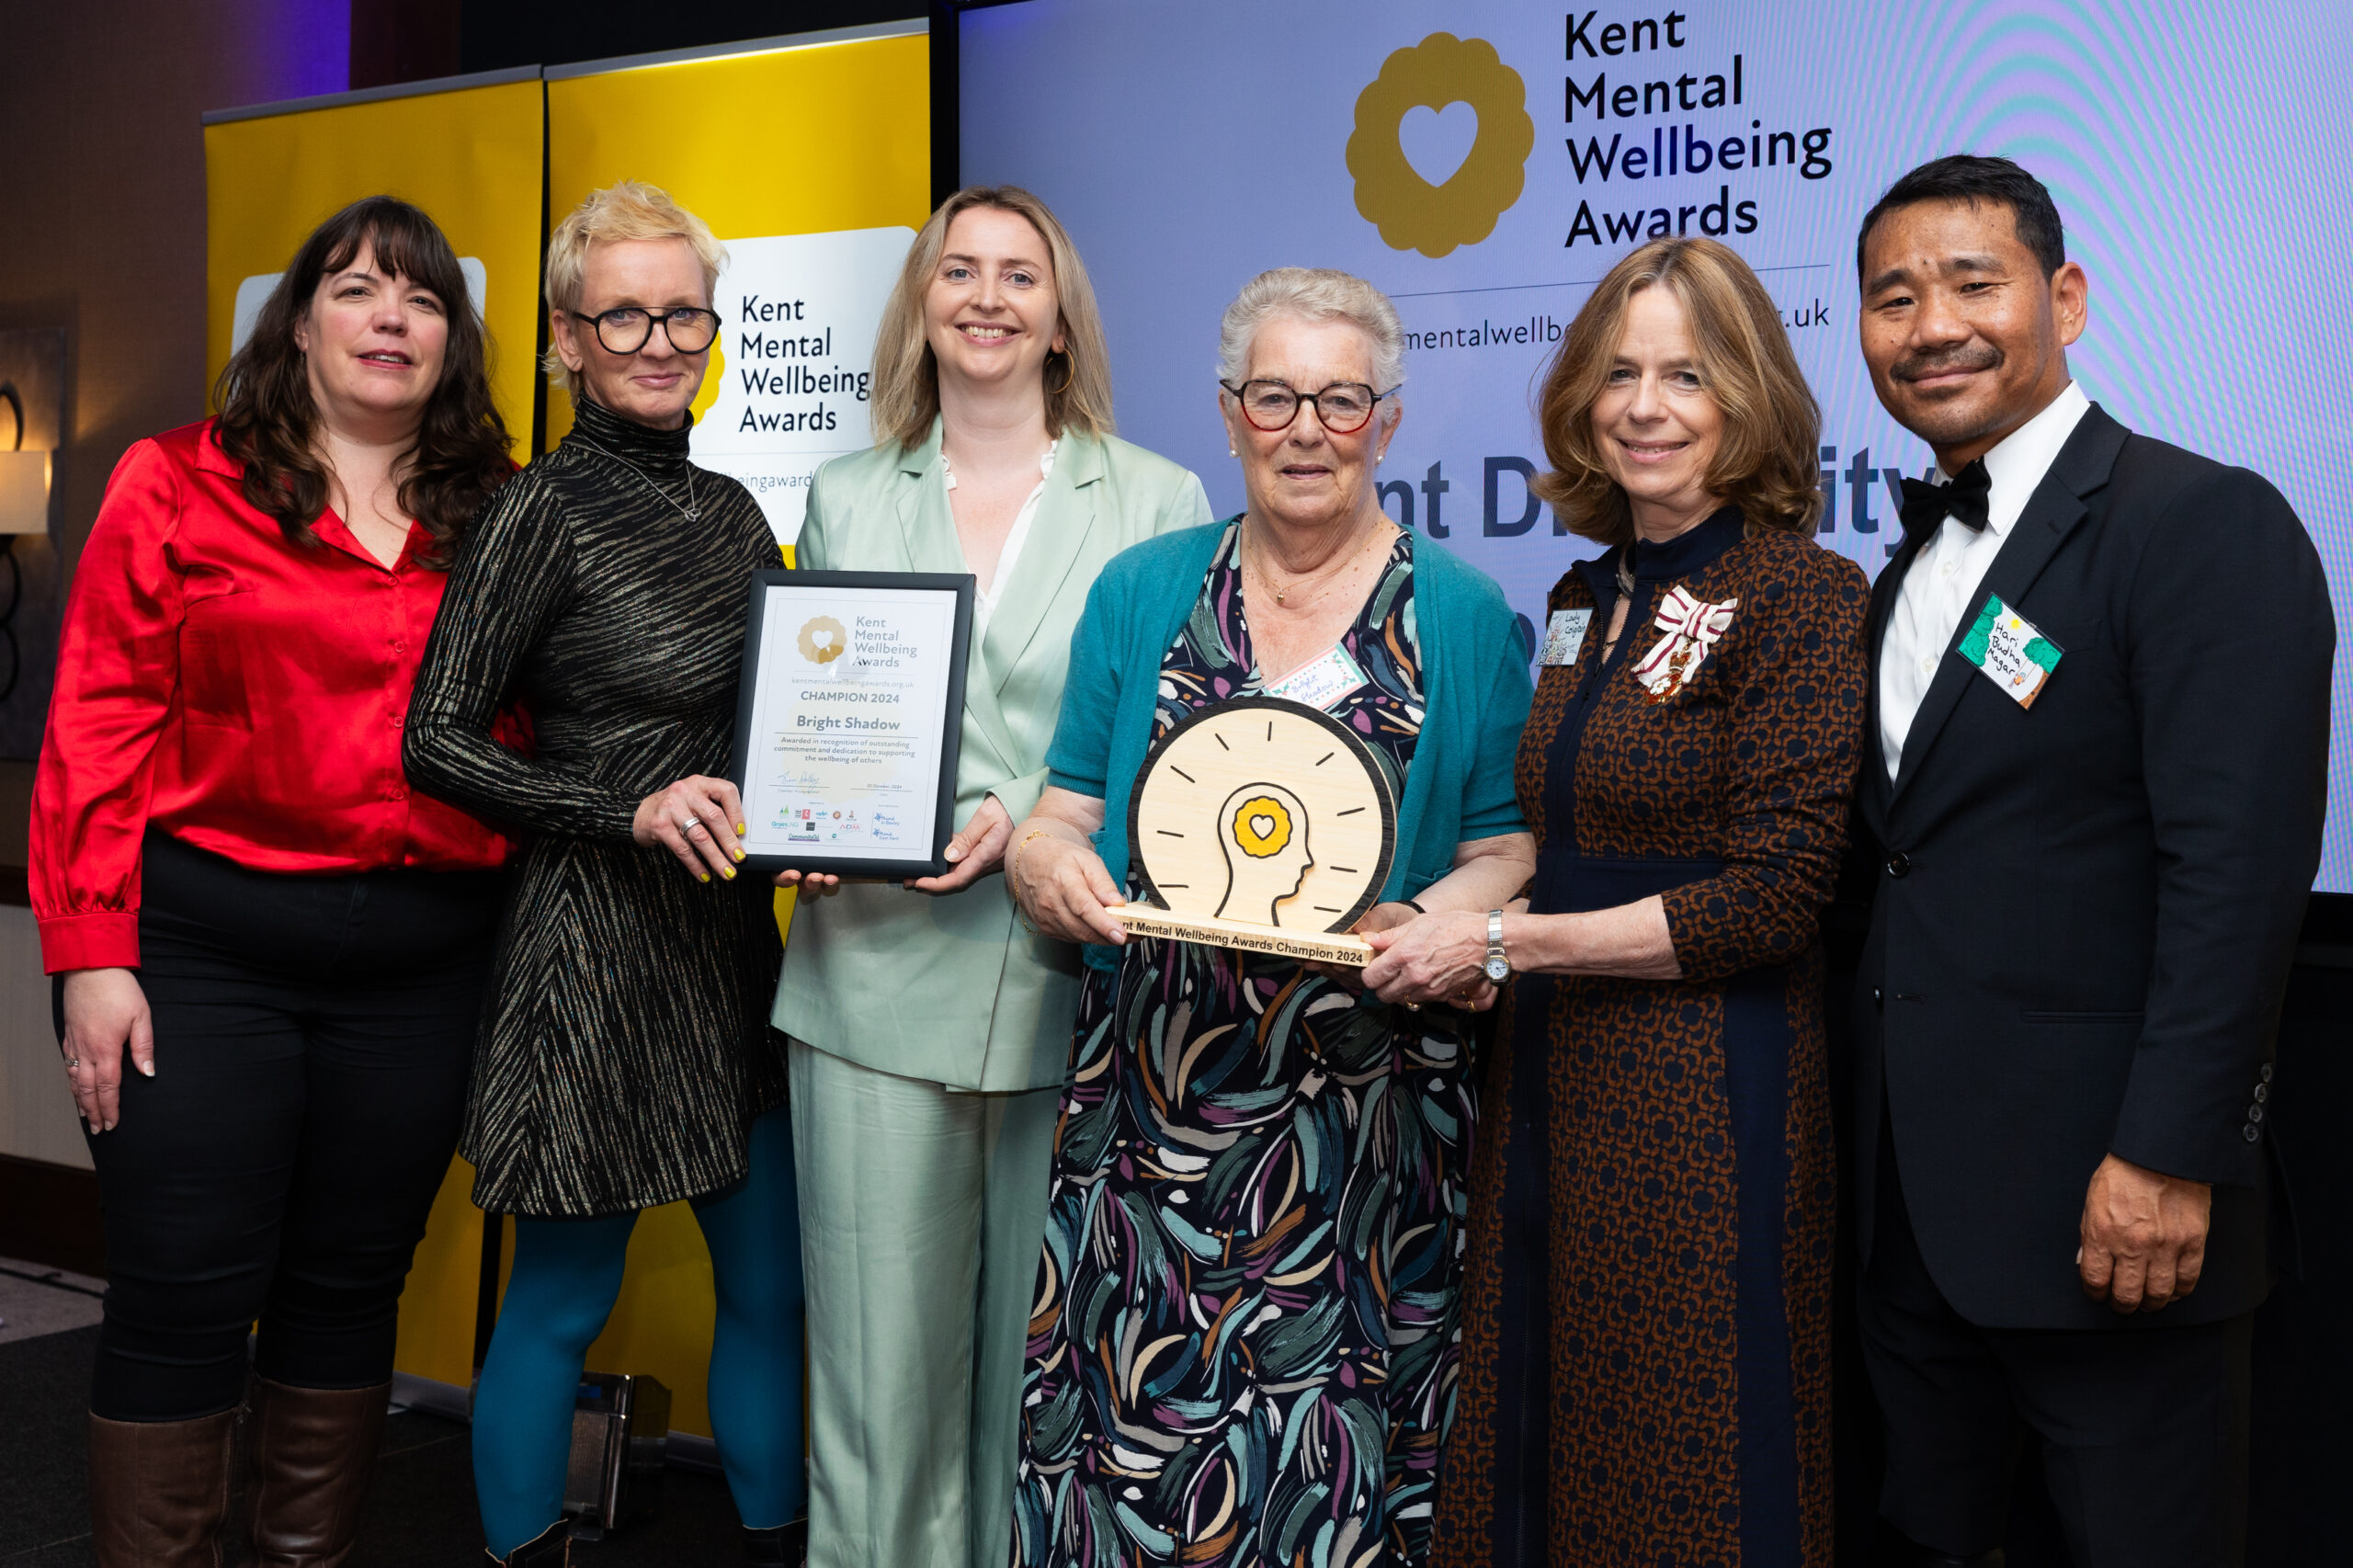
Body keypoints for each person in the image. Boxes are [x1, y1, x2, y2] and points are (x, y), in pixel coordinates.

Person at [1004, 267, 1536, 1568]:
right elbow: (1063, 805)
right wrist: (1043, 864)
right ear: (1231, 410)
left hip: (1366, 1129)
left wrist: (1439, 913)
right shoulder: (1142, 588)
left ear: (1388, 422)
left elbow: (1506, 843)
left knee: (1337, 1481)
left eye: (1340, 399)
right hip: (1152, 1126)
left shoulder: (1460, 608)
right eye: (1277, 396)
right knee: (1131, 1465)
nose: (1307, 427)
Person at [1845, 155, 2331, 1568]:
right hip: (1914, 1222)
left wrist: (2170, 1154)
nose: (1931, 322)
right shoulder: (1906, 571)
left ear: (2063, 297)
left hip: (2114, 1218)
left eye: (1972, 282)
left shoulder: (2199, 524)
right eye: (1892, 296)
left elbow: (2238, 875)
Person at [31, 196, 517, 1565]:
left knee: (351, 1289)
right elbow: (98, 721)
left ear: (449, 341)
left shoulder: (498, 513)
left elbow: (545, 730)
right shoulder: (177, 480)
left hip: (424, 965)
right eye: (359, 290)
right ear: (298, 323)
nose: (390, 319)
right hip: (202, 957)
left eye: (421, 300)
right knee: (183, 1296)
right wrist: (90, 954)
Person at [1411, 235, 1870, 1568]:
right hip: (1553, 1069)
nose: (1646, 406)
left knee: (1694, 1442)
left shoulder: (1799, 592)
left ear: (1747, 397)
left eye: (1687, 373)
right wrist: (1437, 916)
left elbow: (1774, 896)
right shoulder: (1578, 596)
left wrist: (1500, 941)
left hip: (1708, 1092)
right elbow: (1547, 835)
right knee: (1553, 1422)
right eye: (1619, 372)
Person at [769, 185, 1210, 1568]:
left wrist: (1024, 815)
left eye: (1020, 274)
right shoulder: (844, 492)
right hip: (868, 978)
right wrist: (808, 814)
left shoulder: (1158, 498)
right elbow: (817, 722)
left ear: (1061, 314)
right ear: (923, 302)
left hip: (1067, 983)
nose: (986, 295)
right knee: (871, 1377)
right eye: (958, 270)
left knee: (1041, 1375)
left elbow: (1176, 732)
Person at [403, 181, 804, 1568]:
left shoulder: (740, 511)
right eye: (621, 311)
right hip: (585, 954)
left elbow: (780, 729)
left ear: (713, 329)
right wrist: (622, 806)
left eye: (683, 309)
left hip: (728, 946)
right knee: (563, 1299)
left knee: (770, 1287)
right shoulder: (537, 511)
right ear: (565, 337)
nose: (656, 336)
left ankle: (772, 1545)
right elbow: (435, 737)